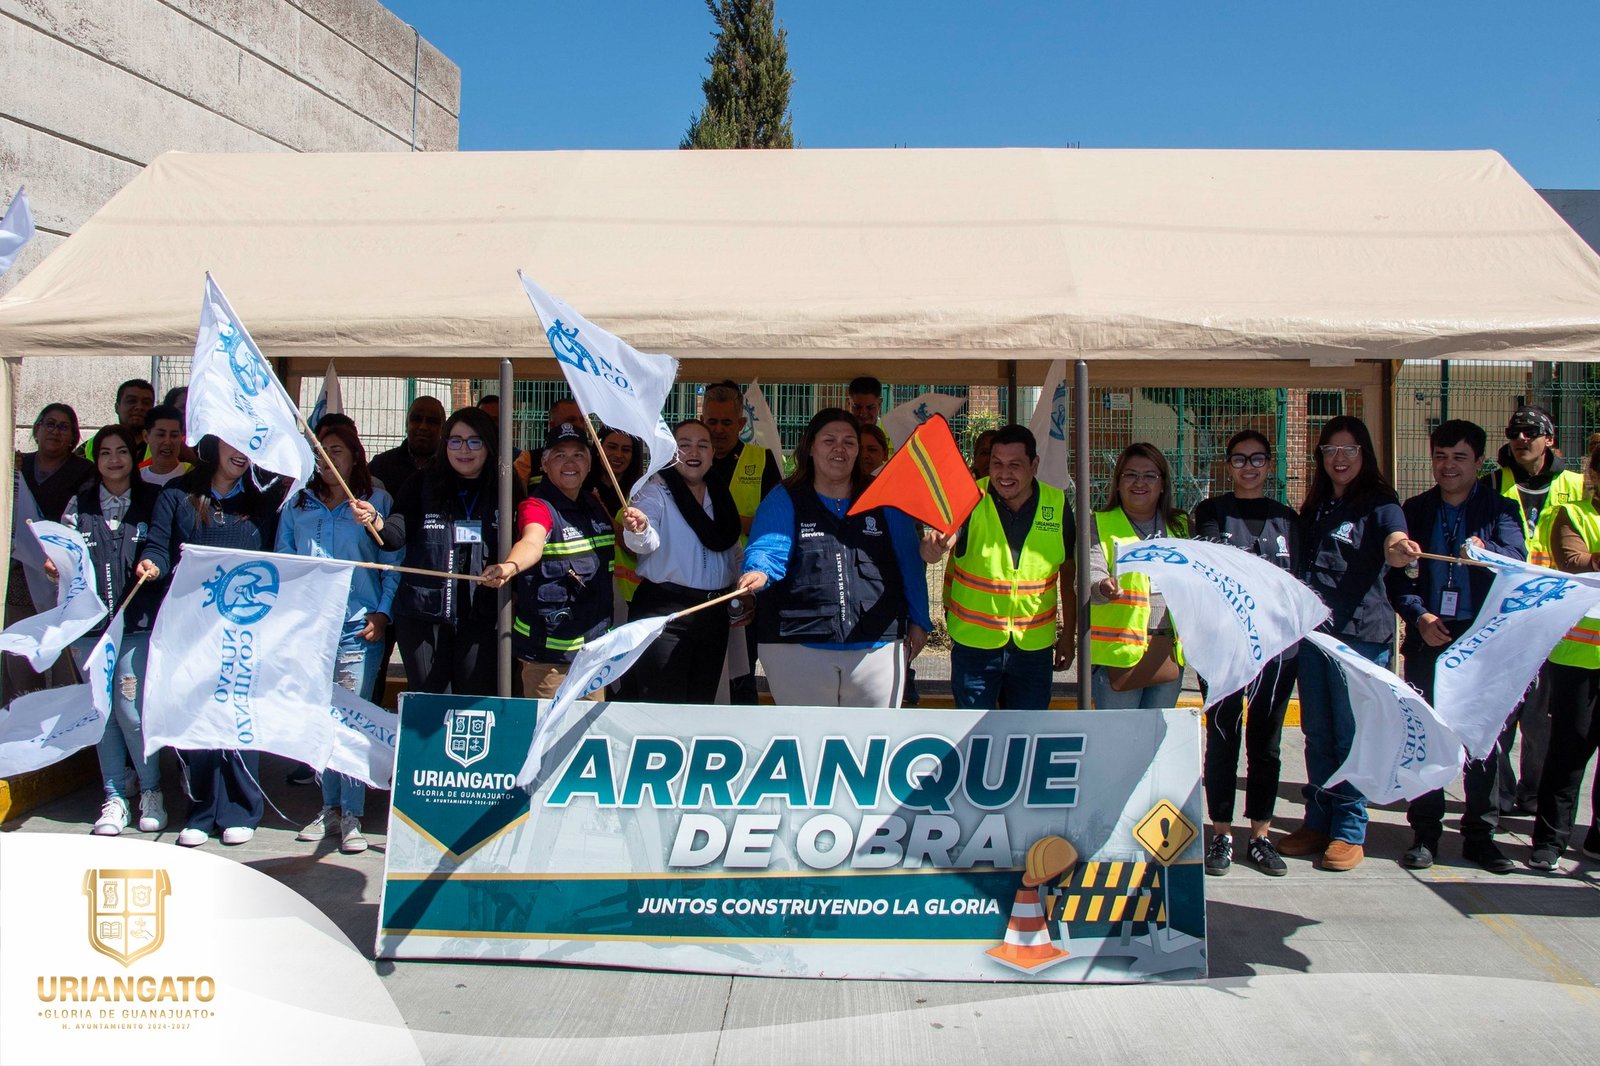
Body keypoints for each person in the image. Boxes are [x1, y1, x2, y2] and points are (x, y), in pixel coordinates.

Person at [1277, 415, 1418, 873]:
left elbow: (1396, 542)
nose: (1339, 459)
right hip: (1316, 635)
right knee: (1317, 734)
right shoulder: (1315, 505)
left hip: (1359, 637)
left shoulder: (1381, 504)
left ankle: (1348, 831)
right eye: (1331, 450)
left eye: (1349, 449)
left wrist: (1399, 549)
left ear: (1365, 454)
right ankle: (1317, 820)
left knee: (1351, 736)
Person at [1386, 420, 1525, 874]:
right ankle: (1425, 832)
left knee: (1482, 738)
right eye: (1441, 457)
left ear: (1479, 462)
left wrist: (1489, 553)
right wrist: (1419, 616)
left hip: (1481, 638)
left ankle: (1480, 835)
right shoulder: (1416, 509)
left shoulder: (1500, 509)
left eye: (1459, 458)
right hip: (1431, 635)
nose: (1448, 467)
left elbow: (1516, 562)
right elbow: (1396, 577)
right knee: (1427, 734)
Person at [135, 437, 285, 847]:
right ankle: (201, 811)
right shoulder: (177, 494)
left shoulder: (264, 500)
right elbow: (159, 546)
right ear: (212, 444)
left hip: (245, 628)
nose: (241, 452)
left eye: (250, 444)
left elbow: (278, 559)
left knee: (238, 714)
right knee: (196, 718)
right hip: (191, 626)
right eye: (231, 442)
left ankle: (240, 809)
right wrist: (153, 564)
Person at [736, 409, 930, 707]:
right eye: (829, 440)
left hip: (877, 644)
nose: (840, 448)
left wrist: (920, 620)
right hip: (796, 644)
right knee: (806, 741)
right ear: (810, 447)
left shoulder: (886, 498)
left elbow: (909, 563)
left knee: (869, 742)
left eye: (849, 442)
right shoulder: (784, 497)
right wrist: (758, 572)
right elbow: (768, 547)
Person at [276, 422, 403, 854]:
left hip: (357, 628)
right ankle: (327, 808)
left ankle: (352, 814)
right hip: (312, 630)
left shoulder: (376, 502)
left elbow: (393, 562)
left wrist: (383, 612)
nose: (327, 459)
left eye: (336, 450)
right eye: (319, 451)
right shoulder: (297, 504)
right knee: (320, 718)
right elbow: (284, 565)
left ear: (354, 456)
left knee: (350, 720)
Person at [1193, 430, 1302, 876]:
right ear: (1228, 464)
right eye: (1240, 459)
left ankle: (1260, 835)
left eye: (1257, 459)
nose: (1249, 467)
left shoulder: (1289, 519)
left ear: (1270, 463)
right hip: (1225, 648)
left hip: (1277, 650)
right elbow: (1217, 568)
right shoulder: (1211, 513)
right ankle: (1220, 833)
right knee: (1222, 739)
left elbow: (1299, 583)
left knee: (1267, 744)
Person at [57, 425, 163, 837]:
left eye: (122, 451)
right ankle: (115, 796)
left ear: (134, 458)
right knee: (103, 714)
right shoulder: (77, 504)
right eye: (105, 453)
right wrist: (57, 566)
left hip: (136, 625)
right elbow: (64, 553)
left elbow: (162, 546)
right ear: (95, 459)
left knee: (131, 711)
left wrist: (155, 564)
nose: (114, 460)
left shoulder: (153, 501)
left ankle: (151, 790)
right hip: (92, 628)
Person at [921, 424, 1074, 710]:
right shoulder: (968, 496)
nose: (1004, 474)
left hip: (1034, 647)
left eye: (1015, 465)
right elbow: (944, 539)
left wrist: (1067, 635)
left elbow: (1068, 574)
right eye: (997, 464)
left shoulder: (1058, 504)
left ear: (1034, 464)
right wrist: (933, 547)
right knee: (976, 742)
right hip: (975, 647)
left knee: (1027, 738)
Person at [1488, 404, 1584, 816]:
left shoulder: (1577, 485)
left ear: (1550, 439)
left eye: (1531, 431)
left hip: (1558, 617)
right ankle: (1500, 791)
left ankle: (1533, 793)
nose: (1521, 438)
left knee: (1542, 716)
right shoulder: (1492, 483)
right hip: (1507, 614)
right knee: (1502, 714)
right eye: (1515, 431)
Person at [482, 422, 616, 699]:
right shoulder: (537, 506)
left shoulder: (595, 504)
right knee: (549, 737)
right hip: (548, 661)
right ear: (544, 464)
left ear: (590, 464)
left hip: (592, 653)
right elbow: (532, 542)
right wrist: (510, 566)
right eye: (559, 455)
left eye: (578, 455)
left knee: (588, 735)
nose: (570, 462)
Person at [618, 420, 741, 703]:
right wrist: (639, 527)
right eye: (683, 445)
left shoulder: (721, 494)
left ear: (712, 454)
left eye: (702, 445)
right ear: (671, 453)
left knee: (701, 704)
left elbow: (732, 549)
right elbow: (645, 542)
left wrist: (742, 584)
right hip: (665, 614)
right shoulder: (654, 491)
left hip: (713, 613)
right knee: (663, 703)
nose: (693, 452)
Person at [388, 408, 507, 697]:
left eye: (473, 441)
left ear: (488, 445)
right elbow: (394, 536)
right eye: (455, 440)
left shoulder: (506, 487)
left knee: (473, 700)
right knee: (429, 703)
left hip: (481, 614)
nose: (463, 449)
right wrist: (375, 523)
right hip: (424, 614)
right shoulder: (421, 482)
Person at [1528, 443, 1600, 871]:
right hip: (1580, 658)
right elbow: (1574, 562)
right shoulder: (1572, 514)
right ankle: (1549, 841)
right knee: (1570, 752)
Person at [1087, 443, 1188, 710]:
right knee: (1119, 743)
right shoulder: (1099, 523)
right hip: (1117, 655)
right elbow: (1089, 577)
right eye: (1130, 475)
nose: (1139, 482)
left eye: (1149, 475)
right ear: (1118, 483)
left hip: (1167, 650)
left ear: (1163, 484)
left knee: (1155, 744)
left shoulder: (1180, 526)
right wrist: (1102, 587)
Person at [8, 403, 95, 700]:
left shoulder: (84, 472)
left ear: (74, 437)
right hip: (19, 579)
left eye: (63, 426)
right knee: (19, 662)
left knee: (64, 667)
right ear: (36, 429)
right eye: (49, 423)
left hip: (62, 580)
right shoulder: (16, 466)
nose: (55, 431)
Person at [701, 380, 780, 703]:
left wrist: (728, 523)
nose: (718, 430)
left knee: (741, 673)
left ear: (742, 423)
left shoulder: (762, 461)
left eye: (726, 422)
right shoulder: (689, 461)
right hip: (699, 583)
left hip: (744, 585)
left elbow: (775, 522)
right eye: (712, 421)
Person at [584, 426, 644, 620]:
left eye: (626, 450)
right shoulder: (581, 487)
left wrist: (602, 512)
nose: (618, 455)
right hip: (589, 586)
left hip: (630, 595)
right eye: (611, 447)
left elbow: (635, 548)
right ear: (599, 448)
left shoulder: (641, 494)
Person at [369, 396, 445, 498]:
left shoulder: (452, 466)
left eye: (431, 421)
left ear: (443, 428)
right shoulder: (381, 465)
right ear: (406, 424)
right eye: (416, 419)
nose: (423, 427)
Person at [516, 396, 585, 489]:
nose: (579, 425)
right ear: (552, 425)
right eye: (570, 420)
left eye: (582, 420)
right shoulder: (530, 460)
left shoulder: (598, 459)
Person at [82, 379, 155, 460]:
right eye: (132, 401)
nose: (139, 407)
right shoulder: (91, 445)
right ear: (117, 408)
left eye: (146, 403)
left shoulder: (162, 447)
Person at [140, 404, 190, 487]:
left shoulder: (193, 474)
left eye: (174, 435)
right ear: (146, 436)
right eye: (161, 435)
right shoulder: (136, 478)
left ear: (181, 436)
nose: (167, 442)